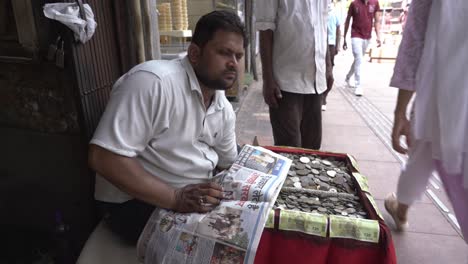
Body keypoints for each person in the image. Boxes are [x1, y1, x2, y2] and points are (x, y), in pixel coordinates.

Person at [87, 10, 246, 245]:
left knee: (252, 226)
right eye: (224, 53)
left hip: (191, 196)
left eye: (239, 56)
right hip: (135, 203)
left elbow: (227, 160)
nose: (233, 63)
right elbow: (104, 158)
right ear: (194, 53)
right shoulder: (154, 82)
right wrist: (176, 198)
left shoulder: (221, 105)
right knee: (224, 243)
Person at [384, 0, 468, 243]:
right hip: (443, 108)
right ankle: (400, 208)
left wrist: (400, 111)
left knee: (421, 154)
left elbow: (414, 42)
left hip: (443, 106)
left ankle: (400, 208)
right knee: (421, 155)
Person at [256, 0, 329, 149]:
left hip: (315, 80)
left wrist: (327, 65)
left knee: (313, 148)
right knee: (289, 148)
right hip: (285, 83)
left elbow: (323, 26)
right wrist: (268, 79)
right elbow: (265, 29)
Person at [343, 0, 382, 96]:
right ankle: (358, 86)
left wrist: (378, 36)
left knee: (358, 60)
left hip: (367, 37)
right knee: (359, 59)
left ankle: (348, 77)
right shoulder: (354, 4)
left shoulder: (375, 3)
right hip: (356, 35)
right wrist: (344, 38)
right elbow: (347, 20)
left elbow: (377, 21)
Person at [322, 2, 342, 111]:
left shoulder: (334, 13)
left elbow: (338, 30)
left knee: (328, 72)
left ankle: (324, 97)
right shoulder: (319, 10)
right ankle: (320, 96)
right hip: (320, 44)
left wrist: (338, 45)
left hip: (330, 44)